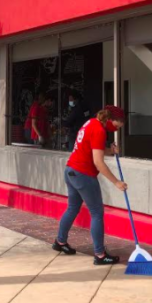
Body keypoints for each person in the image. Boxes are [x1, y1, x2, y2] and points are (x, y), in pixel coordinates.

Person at [54, 105, 128, 265]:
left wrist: (110, 150)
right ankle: (100, 255)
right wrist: (117, 182)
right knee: (97, 213)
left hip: (70, 170)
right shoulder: (99, 130)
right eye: (116, 126)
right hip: (83, 174)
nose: (115, 129)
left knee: (72, 208)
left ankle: (60, 242)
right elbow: (98, 162)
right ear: (111, 119)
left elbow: (94, 149)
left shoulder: (91, 123)